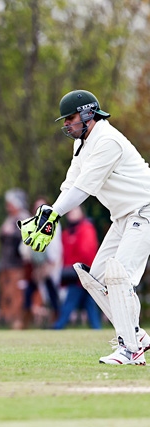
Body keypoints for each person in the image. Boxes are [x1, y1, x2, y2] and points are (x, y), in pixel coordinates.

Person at [18, 89, 150, 365]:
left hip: (145, 208)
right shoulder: (83, 144)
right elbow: (70, 183)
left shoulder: (107, 141)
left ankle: (129, 348)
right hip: (123, 216)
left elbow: (84, 188)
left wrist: (53, 214)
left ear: (89, 113)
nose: (67, 124)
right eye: (65, 119)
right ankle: (136, 336)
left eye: (71, 117)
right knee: (97, 278)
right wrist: (49, 212)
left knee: (119, 275)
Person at [52, 206, 101, 329]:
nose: (71, 212)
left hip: (82, 273)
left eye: (75, 210)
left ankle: (58, 326)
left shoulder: (86, 229)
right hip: (75, 275)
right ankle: (96, 328)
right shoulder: (68, 232)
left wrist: (77, 268)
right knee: (89, 304)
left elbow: (87, 252)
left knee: (71, 302)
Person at [20, 197, 62, 328]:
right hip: (35, 265)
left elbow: (55, 245)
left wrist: (51, 263)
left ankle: (56, 319)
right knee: (33, 290)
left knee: (50, 291)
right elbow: (24, 245)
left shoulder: (53, 223)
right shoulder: (31, 222)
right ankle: (27, 319)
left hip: (48, 264)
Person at [0, 188, 31, 329]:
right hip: (6, 263)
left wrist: (13, 233)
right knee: (7, 294)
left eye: (10, 203)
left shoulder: (23, 218)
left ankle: (19, 322)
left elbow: (27, 240)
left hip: (18, 264)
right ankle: (10, 320)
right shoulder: (9, 219)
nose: (8, 206)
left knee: (18, 294)